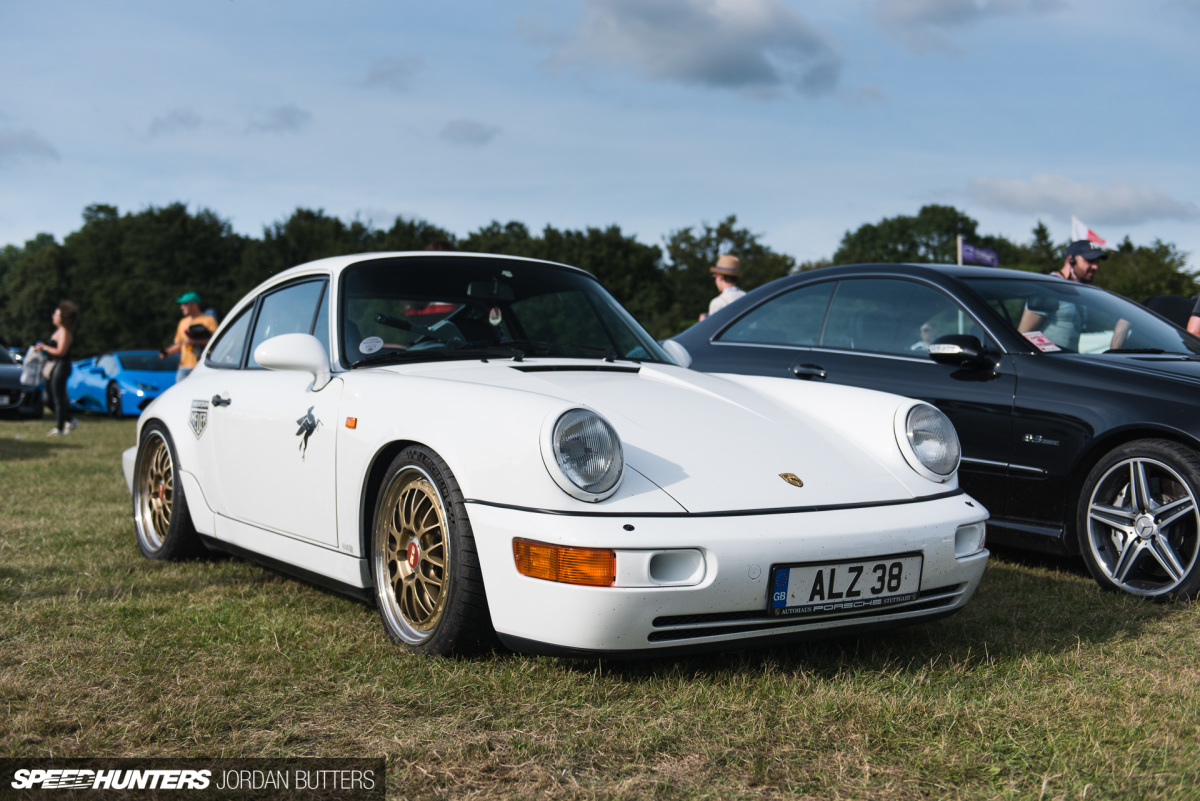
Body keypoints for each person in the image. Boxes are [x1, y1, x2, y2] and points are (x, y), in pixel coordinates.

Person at [1018, 240, 1126, 351]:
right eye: (1089, 261)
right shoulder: (1048, 288)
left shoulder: (1078, 292)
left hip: (1067, 363)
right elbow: (1023, 335)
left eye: (1097, 262)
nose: (1095, 267)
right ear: (1071, 259)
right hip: (1045, 365)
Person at [34, 300, 80, 436]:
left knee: (58, 398)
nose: (53, 316)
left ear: (62, 317)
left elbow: (61, 352)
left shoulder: (64, 332)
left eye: (56, 314)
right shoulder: (58, 331)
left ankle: (60, 428)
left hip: (61, 366)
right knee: (47, 399)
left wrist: (44, 347)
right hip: (53, 366)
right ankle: (70, 420)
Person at [162, 292, 218, 382]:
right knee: (180, 394)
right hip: (183, 367)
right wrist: (167, 352)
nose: (182, 307)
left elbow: (216, 342)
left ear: (194, 305)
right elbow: (180, 344)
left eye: (184, 304)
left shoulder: (209, 320)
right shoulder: (183, 322)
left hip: (200, 366)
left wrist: (195, 342)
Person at [700, 255, 746, 321]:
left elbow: (713, 329)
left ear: (720, 277)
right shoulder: (746, 296)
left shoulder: (717, 303)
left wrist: (703, 322)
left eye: (715, 276)